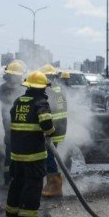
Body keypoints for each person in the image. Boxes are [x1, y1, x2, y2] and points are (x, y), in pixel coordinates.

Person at [5, 70, 55, 217]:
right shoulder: (41, 102)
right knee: (33, 184)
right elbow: (46, 125)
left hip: (16, 153)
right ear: (42, 88)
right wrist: (51, 132)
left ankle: (12, 214)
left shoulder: (18, 101)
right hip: (34, 154)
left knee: (17, 183)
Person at [38, 65, 68, 198]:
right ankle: (51, 184)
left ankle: (54, 186)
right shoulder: (61, 89)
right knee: (51, 154)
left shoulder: (48, 92)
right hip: (61, 128)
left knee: (48, 155)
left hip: (52, 129)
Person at [0, 60, 25, 186]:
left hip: (20, 128)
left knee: (16, 154)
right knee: (11, 154)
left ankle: (15, 179)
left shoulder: (22, 87)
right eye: (18, 76)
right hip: (11, 128)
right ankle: (9, 179)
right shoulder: (4, 89)